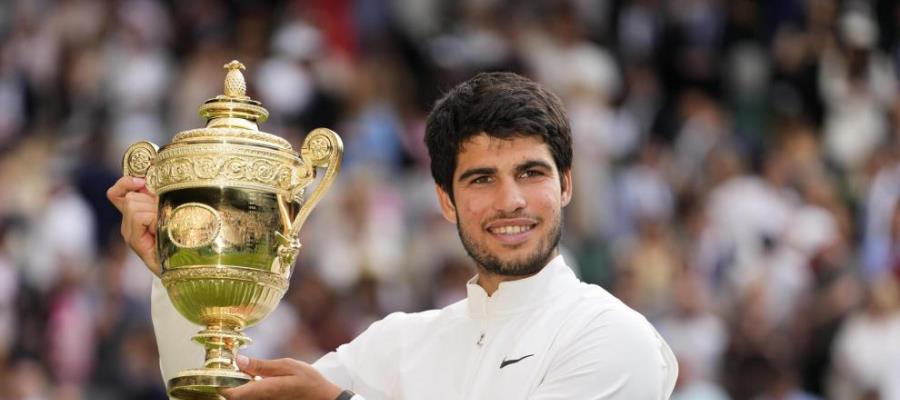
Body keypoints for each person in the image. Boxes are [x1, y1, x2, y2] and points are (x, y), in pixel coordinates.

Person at [108, 72, 678, 400]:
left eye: (532, 173)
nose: (511, 201)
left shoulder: (613, 337)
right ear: (444, 201)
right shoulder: (397, 344)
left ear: (567, 185)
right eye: (481, 179)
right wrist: (181, 269)